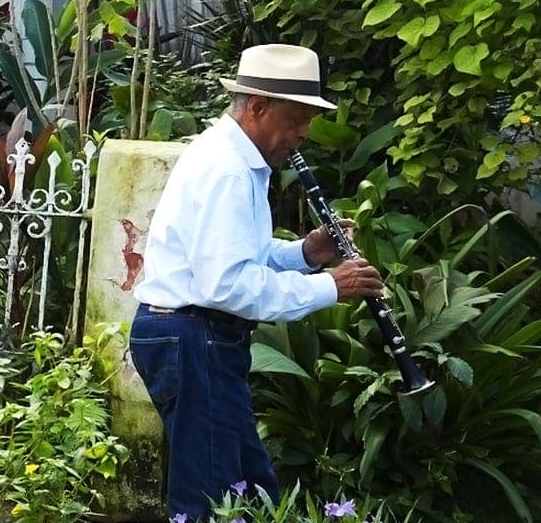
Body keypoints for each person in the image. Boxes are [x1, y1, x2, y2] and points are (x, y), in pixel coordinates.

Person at [128, 43, 385, 521]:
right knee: (211, 501)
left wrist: (305, 254)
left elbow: (239, 257)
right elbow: (226, 284)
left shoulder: (239, 161)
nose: (304, 134)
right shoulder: (227, 170)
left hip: (199, 337)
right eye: (297, 120)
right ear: (259, 107)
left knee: (250, 491)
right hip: (193, 335)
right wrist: (332, 286)